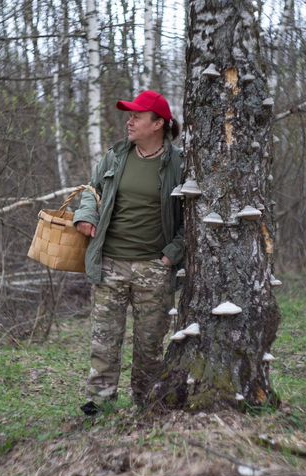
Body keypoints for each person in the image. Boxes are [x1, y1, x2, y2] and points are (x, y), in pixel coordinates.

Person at [73, 90, 184, 415]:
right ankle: (100, 402)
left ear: (158, 124)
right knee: (104, 339)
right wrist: (86, 215)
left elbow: (192, 217)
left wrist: (170, 254)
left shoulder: (178, 164)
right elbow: (91, 190)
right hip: (110, 263)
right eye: (129, 115)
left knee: (150, 345)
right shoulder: (116, 156)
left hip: (154, 266)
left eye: (137, 116)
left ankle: (146, 401)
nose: (129, 121)